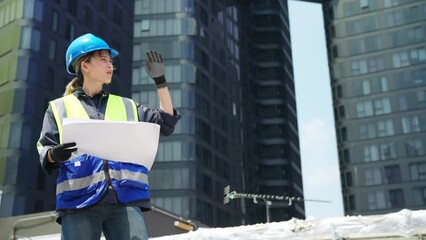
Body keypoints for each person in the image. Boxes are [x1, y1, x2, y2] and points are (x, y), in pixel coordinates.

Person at [36, 33, 181, 240]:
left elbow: (166, 122)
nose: (110, 65)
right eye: (103, 59)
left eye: (111, 61)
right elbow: (44, 149)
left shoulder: (126, 105)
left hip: (124, 198)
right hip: (78, 201)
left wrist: (160, 82)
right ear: (84, 66)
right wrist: (53, 155)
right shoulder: (59, 108)